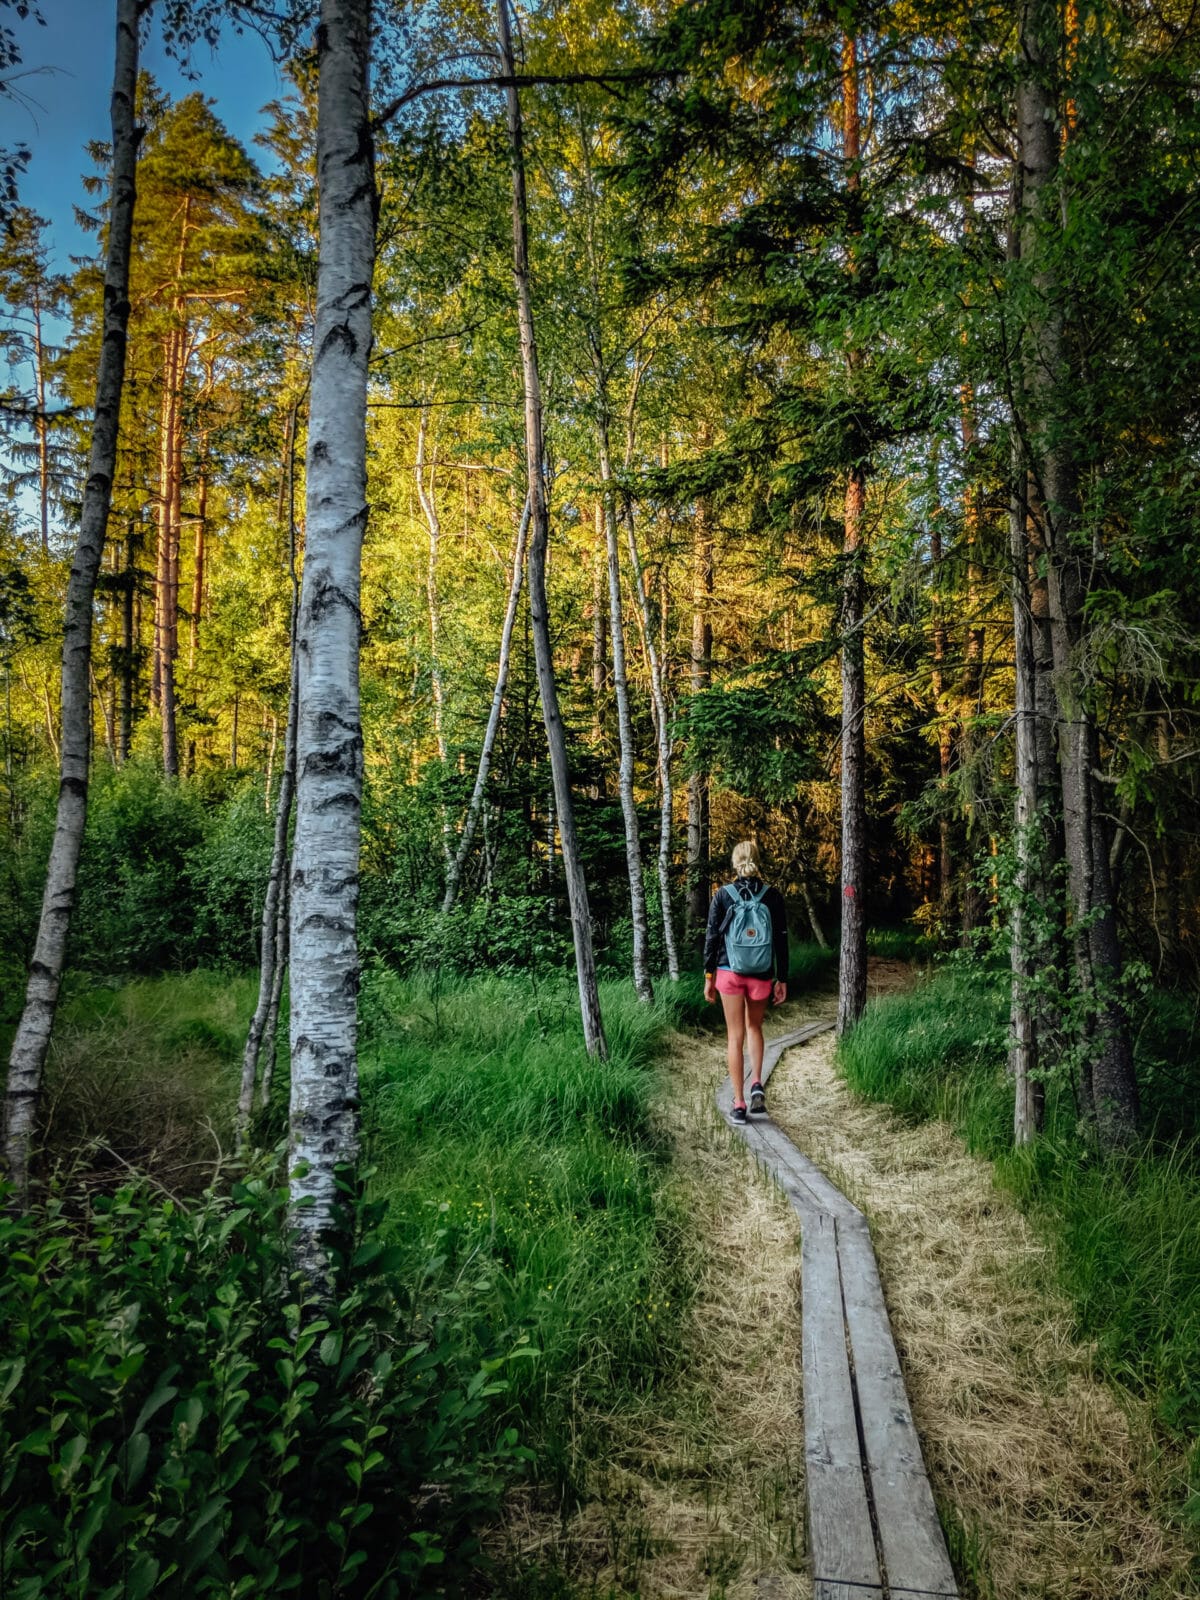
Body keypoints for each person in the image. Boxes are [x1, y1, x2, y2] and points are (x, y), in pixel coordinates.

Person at [704, 841, 788, 1124]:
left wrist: (708, 976)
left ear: (734, 863)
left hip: (729, 971)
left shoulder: (723, 895)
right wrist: (782, 977)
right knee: (755, 1027)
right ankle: (756, 1084)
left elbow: (712, 938)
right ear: (757, 860)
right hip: (762, 973)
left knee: (734, 1036)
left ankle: (739, 1104)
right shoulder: (772, 896)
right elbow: (781, 938)